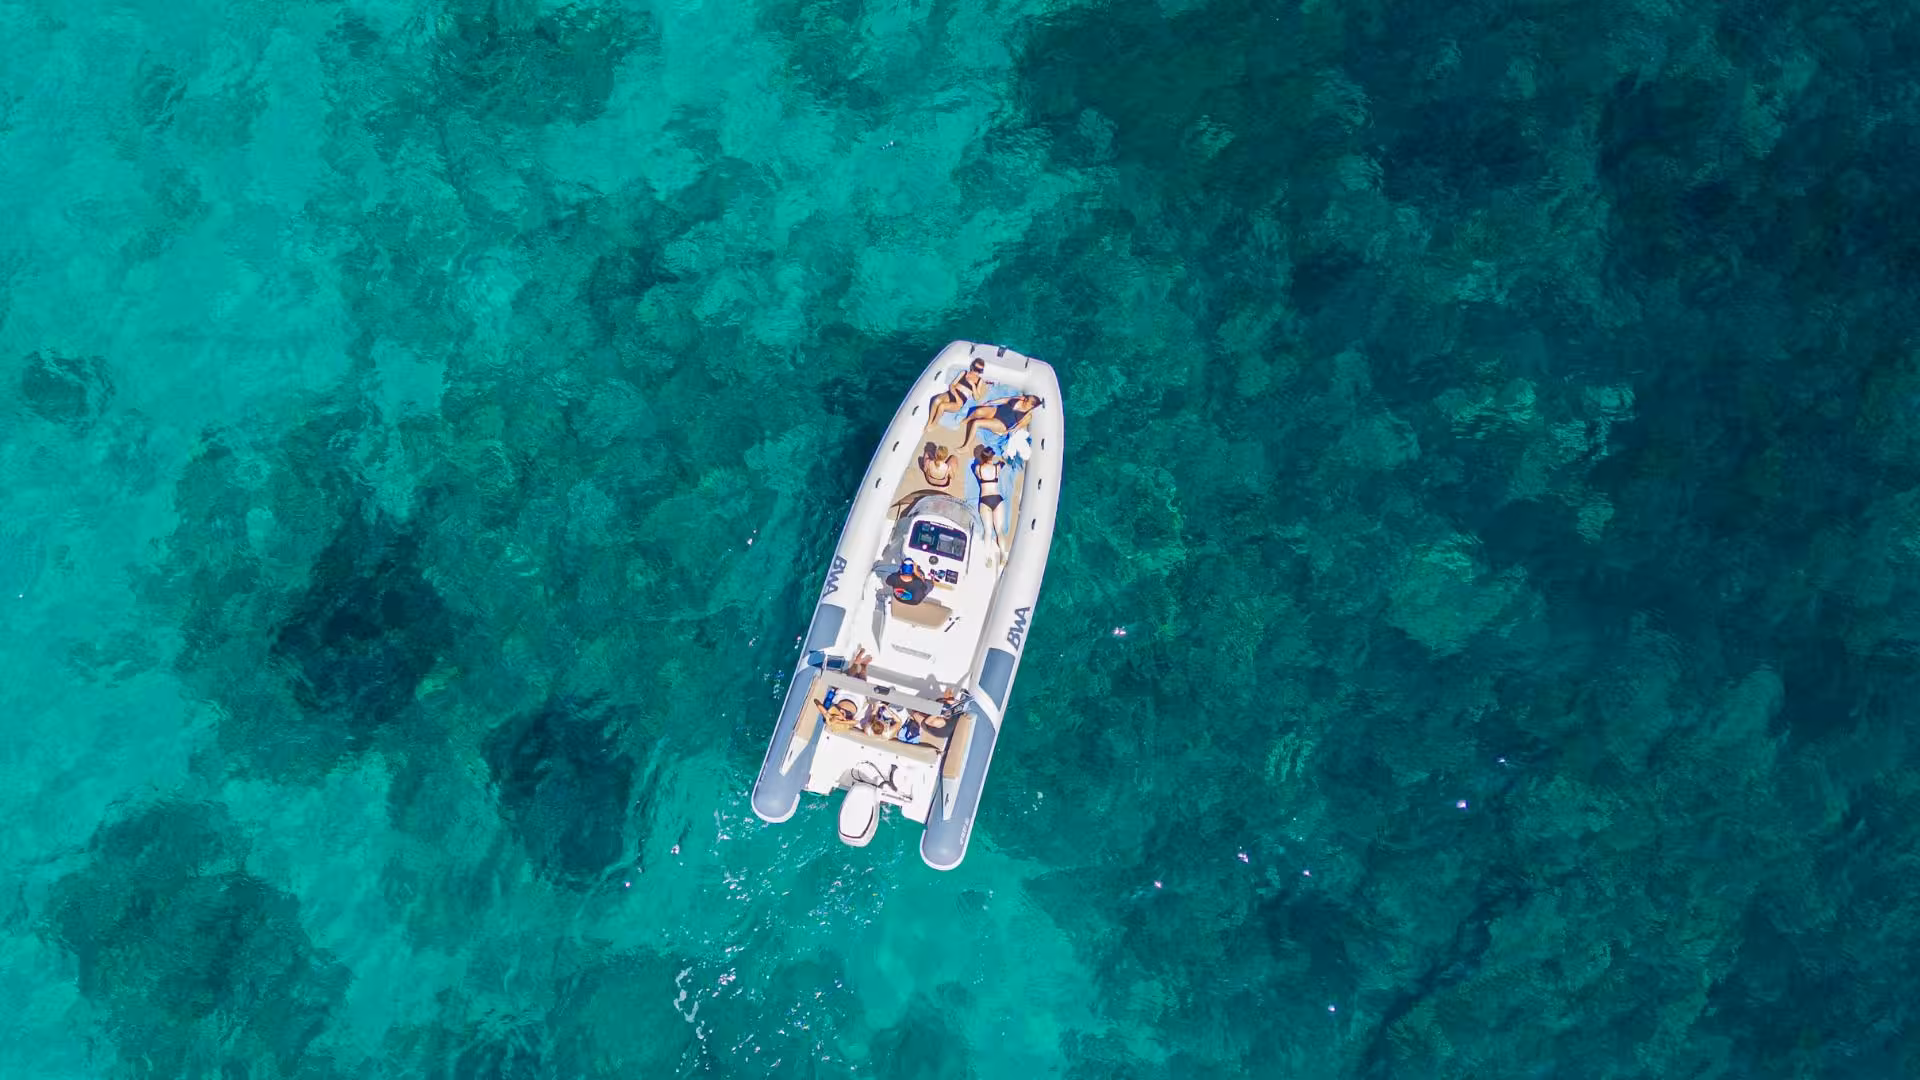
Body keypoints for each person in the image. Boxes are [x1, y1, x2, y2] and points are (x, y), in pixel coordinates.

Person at [972, 446, 1008, 563]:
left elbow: (977, 472)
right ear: (992, 457)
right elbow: (1003, 463)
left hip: (985, 500)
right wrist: (999, 462)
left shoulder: (978, 468)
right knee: (999, 530)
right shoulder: (997, 468)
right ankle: (1003, 555)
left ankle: (988, 557)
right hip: (997, 499)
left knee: (988, 531)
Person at [961, 393, 1042, 445]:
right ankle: (967, 419)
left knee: (977, 423)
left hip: (1001, 423)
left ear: (1032, 406)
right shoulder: (1021, 398)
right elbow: (1005, 400)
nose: (1025, 399)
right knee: (978, 411)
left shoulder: (1027, 416)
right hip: (996, 411)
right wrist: (990, 402)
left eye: (1027, 400)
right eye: (1027, 397)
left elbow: (1016, 428)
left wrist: (1005, 432)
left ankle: (966, 446)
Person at [928, 357, 987, 425]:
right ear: (972, 366)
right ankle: (929, 422)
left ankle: (934, 423)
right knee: (936, 400)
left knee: (942, 406)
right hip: (952, 393)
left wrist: (973, 385)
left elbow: (977, 398)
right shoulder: (964, 373)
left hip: (960, 401)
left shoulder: (979, 381)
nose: (977, 372)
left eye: (980, 371)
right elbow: (952, 385)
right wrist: (957, 397)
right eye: (976, 369)